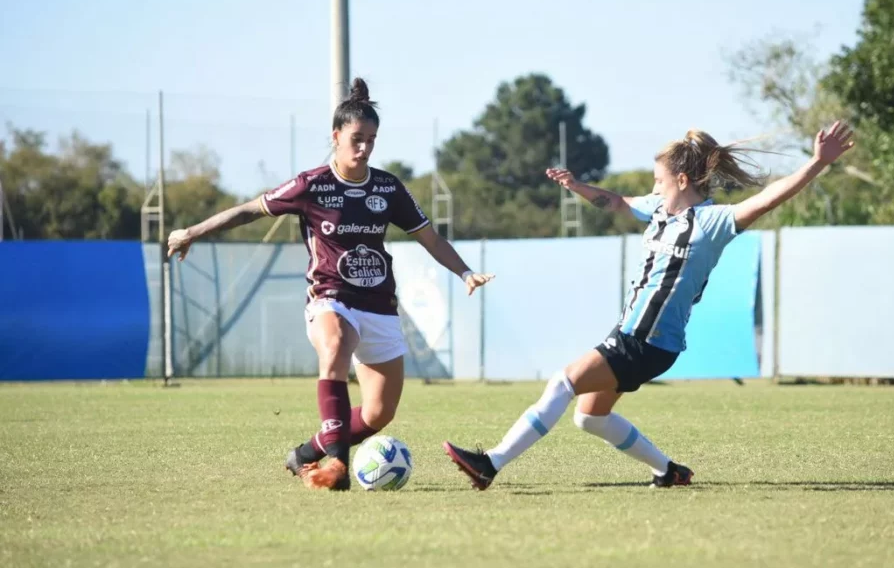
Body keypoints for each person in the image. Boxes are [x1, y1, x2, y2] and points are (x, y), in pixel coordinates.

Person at [443, 121, 854, 490]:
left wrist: (818, 163)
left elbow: (766, 199)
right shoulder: (659, 209)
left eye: (659, 181)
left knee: (562, 383)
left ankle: (490, 464)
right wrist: (577, 187)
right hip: (636, 338)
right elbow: (618, 202)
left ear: (680, 179)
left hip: (646, 341)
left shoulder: (711, 222)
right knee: (589, 416)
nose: (653, 188)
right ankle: (669, 471)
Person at [167, 78, 494, 491]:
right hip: (330, 297)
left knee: (378, 414)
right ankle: (337, 466)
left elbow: (429, 238)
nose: (365, 148)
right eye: (357, 138)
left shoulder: (387, 187)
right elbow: (251, 209)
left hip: (378, 303)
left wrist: (465, 272)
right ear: (336, 136)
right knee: (336, 345)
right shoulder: (312, 184)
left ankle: (305, 454)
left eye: (372, 140)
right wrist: (193, 231)